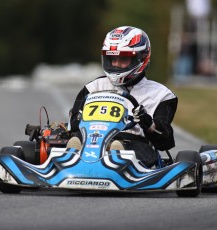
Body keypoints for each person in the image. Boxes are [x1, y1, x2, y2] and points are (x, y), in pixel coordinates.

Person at [68, 26, 178, 168]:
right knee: (75, 139)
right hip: (91, 141)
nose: (117, 64)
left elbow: (165, 141)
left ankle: (116, 161)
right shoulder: (93, 88)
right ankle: (71, 156)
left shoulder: (161, 95)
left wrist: (148, 124)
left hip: (136, 143)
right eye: (113, 59)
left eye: (124, 59)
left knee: (117, 146)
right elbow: (74, 123)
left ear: (141, 58)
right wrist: (77, 117)